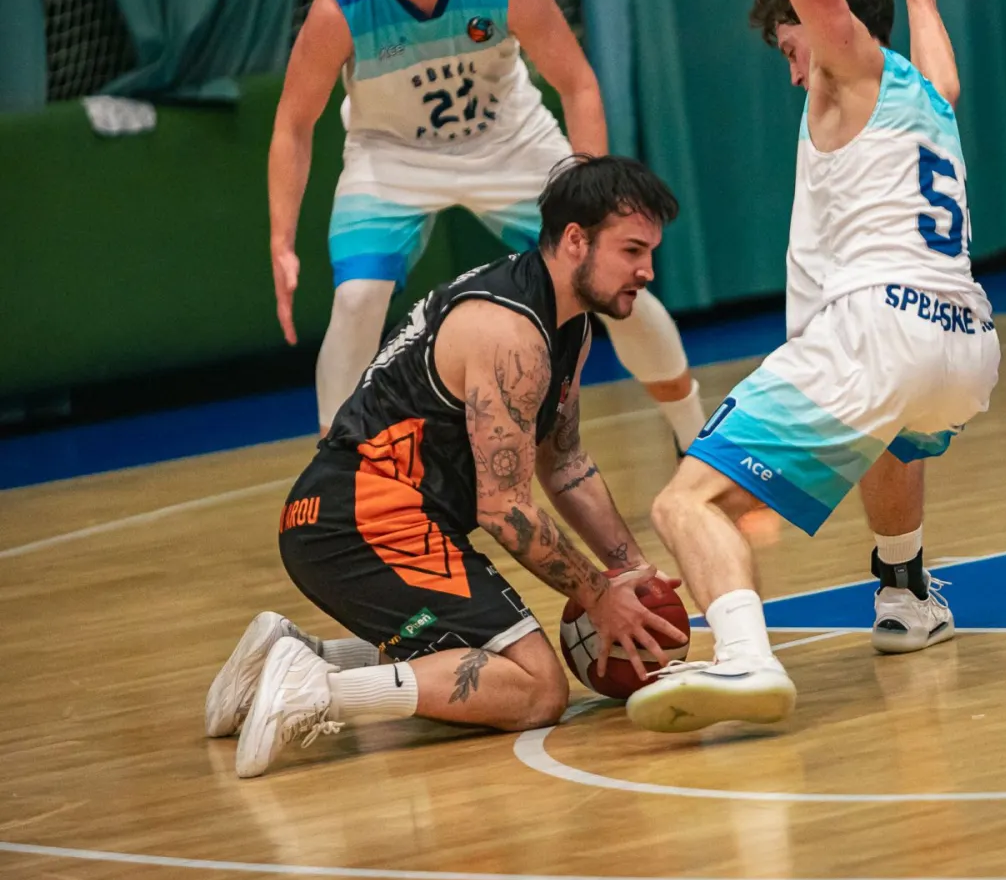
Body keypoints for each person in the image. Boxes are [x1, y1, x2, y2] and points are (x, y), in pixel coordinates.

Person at [625, 0, 1000, 735]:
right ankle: (905, 593)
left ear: (832, 24)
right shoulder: (920, 96)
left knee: (683, 500)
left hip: (878, 329)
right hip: (965, 343)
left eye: (791, 39)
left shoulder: (849, 64)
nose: (791, 63)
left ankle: (744, 657)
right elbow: (948, 75)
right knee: (892, 429)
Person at [211, 155, 688, 777]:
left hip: (348, 516)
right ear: (576, 240)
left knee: (478, 654)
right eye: (632, 251)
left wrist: (630, 573)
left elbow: (564, 461)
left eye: (651, 252)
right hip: (362, 521)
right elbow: (505, 510)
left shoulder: (565, 324)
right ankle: (318, 689)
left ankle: (295, 654)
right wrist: (599, 597)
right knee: (535, 688)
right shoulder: (509, 332)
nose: (647, 270)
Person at [268, 0, 705, 452]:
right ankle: (334, 472)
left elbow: (578, 83)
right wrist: (282, 240)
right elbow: (293, 123)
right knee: (358, 298)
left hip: (510, 142)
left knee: (605, 275)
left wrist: (592, 186)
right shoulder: (341, 2)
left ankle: (696, 438)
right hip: (392, 156)